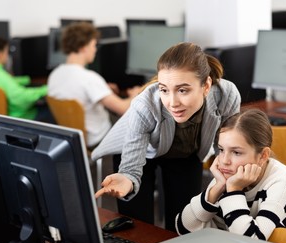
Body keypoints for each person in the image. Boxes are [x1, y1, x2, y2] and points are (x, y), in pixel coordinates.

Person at [92, 42, 241, 231]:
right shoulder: (145, 104)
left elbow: (227, 146)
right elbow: (131, 164)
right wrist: (127, 177)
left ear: (206, 86)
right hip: (141, 151)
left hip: (185, 152)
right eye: (164, 89)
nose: (172, 103)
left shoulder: (226, 95)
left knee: (184, 224)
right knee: (138, 227)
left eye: (183, 90)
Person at [175, 108, 286, 240]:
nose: (224, 161)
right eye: (221, 150)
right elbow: (183, 228)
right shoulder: (228, 176)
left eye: (236, 152)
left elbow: (252, 241)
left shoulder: (281, 182)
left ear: (263, 156)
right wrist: (215, 189)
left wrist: (233, 191)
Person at [47, 22, 141, 149]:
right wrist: (135, 95)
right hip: (98, 138)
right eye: (93, 45)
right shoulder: (89, 78)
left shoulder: (54, 75)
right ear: (83, 47)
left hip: (73, 138)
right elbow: (124, 109)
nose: (95, 49)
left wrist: (103, 90)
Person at [0, 36, 54, 123]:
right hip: (18, 117)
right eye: (6, 52)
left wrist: (26, 80)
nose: (8, 55)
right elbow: (22, 97)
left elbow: (6, 82)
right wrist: (46, 89)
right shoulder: (1, 76)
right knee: (51, 110)